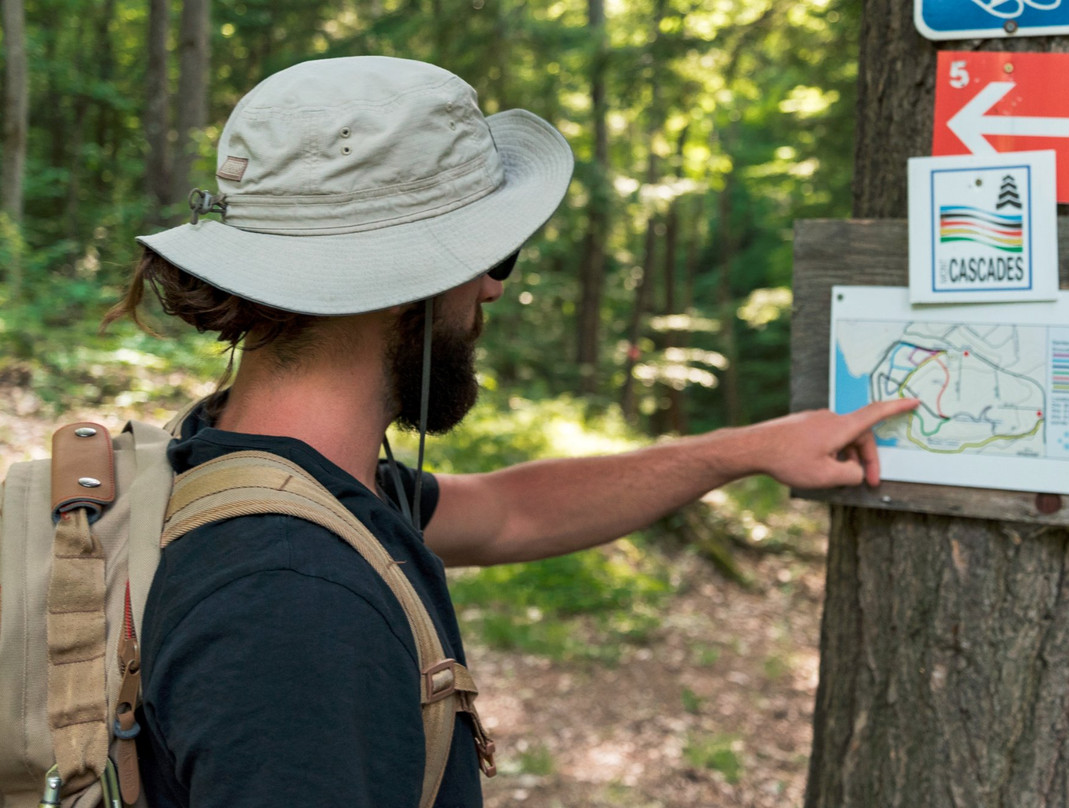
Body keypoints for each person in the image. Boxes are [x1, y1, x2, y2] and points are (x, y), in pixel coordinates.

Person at [110, 56, 917, 807]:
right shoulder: (293, 605)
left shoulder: (261, 467)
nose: (493, 289)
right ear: (404, 279)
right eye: (493, 255)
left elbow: (508, 511)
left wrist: (749, 450)